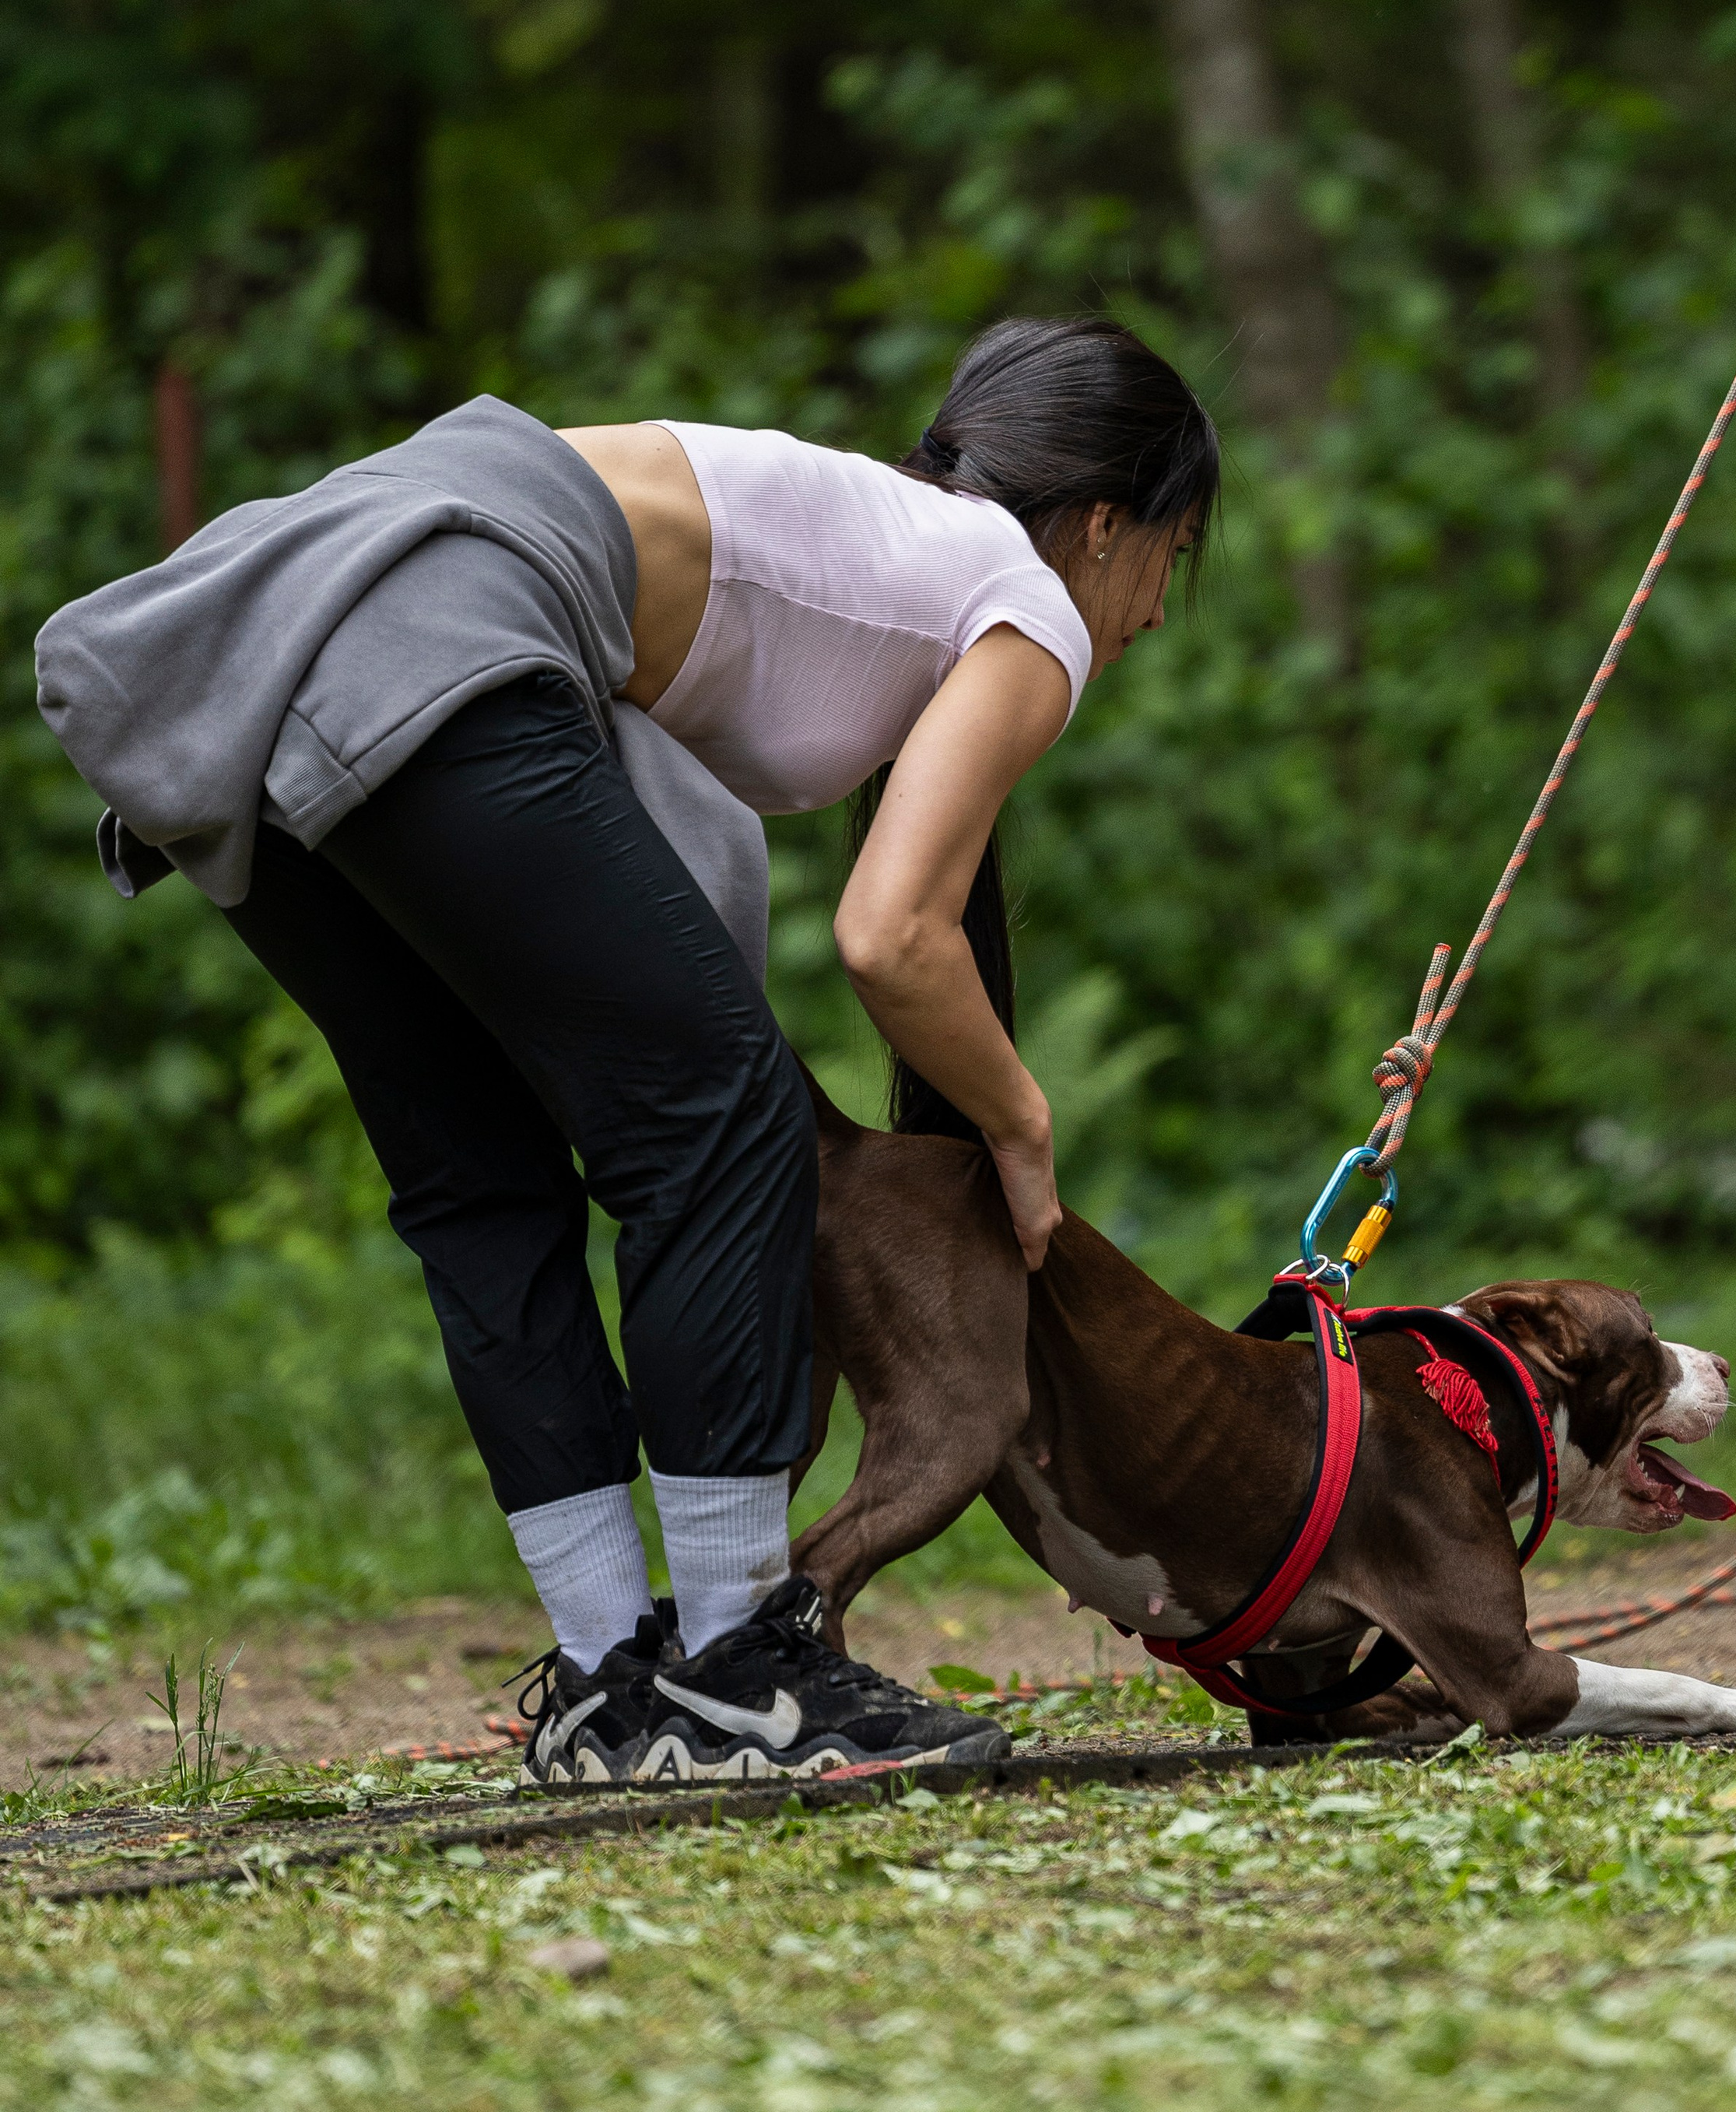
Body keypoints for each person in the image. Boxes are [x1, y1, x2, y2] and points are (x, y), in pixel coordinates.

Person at [35, 314, 1218, 1781]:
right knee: (724, 1122)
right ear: (1108, 523)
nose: (1156, 612)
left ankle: (611, 1684)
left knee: (484, 1179)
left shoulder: (865, 533)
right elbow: (893, 936)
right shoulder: (1019, 598)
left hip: (285, 651)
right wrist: (1021, 1126)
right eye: (1174, 560)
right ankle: (739, 1671)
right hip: (438, 622)